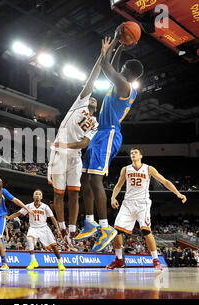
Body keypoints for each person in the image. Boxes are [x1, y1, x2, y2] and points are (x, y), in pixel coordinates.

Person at [76, 25, 144, 252]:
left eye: (124, 68)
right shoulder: (121, 82)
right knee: (84, 178)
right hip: (100, 132)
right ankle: (89, 222)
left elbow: (106, 66)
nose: (121, 69)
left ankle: (105, 227)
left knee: (96, 180)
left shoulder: (125, 85)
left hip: (110, 133)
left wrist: (115, 40)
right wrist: (121, 50)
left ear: (130, 74)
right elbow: (113, 65)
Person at [47, 37, 111, 240]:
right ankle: (63, 227)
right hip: (59, 154)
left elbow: (85, 143)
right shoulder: (80, 102)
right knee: (59, 194)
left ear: (96, 106)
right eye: (91, 96)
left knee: (74, 193)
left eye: (94, 99)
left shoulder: (96, 123)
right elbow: (93, 77)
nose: (91, 97)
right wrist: (102, 56)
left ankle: (73, 231)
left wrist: (66, 144)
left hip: (73, 155)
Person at [107, 148, 187, 270]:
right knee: (117, 231)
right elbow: (118, 185)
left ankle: (155, 260)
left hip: (142, 204)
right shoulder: (126, 169)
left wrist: (178, 193)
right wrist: (113, 198)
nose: (133, 154)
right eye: (131, 153)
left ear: (141, 156)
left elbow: (165, 181)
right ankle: (119, 260)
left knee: (146, 231)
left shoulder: (149, 168)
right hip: (127, 203)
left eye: (135, 153)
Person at [6, 190, 66, 271]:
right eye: (36, 194)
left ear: (41, 197)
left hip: (44, 228)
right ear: (33, 196)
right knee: (29, 239)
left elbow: (53, 218)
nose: (37, 195)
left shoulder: (45, 207)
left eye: (39, 194)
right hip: (33, 228)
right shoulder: (29, 206)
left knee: (54, 247)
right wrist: (9, 217)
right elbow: (18, 213)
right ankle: (33, 261)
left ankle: (60, 263)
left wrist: (58, 229)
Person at [0, 188, 33, 271]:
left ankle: (4, 263)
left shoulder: (1, 190)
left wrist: (26, 208)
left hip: (0, 218)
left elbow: (15, 200)